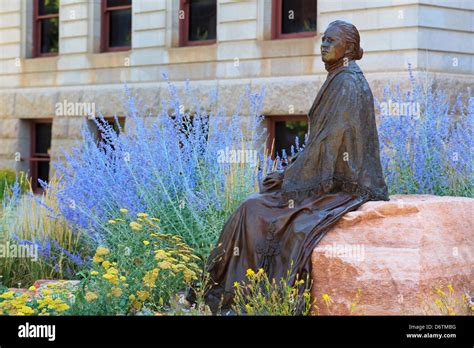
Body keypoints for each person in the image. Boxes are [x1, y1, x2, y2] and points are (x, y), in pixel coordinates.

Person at [192, 20, 389, 314]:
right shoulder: (340, 77)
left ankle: (239, 298)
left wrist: (290, 180)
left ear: (347, 48)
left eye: (330, 41)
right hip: (330, 177)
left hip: (344, 184)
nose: (323, 45)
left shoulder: (347, 83)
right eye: (322, 39)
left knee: (254, 210)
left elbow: (329, 145)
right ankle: (227, 296)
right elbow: (322, 143)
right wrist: (288, 172)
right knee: (254, 206)